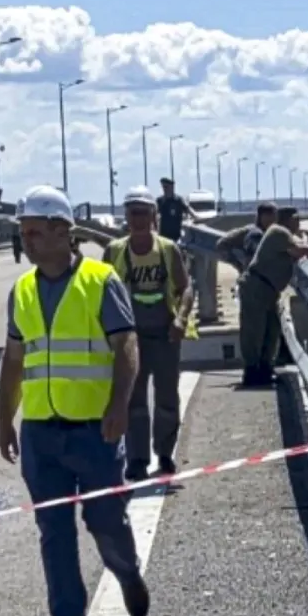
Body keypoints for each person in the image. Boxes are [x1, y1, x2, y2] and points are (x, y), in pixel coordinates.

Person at [0, 185, 150, 616]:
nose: (28, 242)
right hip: (42, 433)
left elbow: (126, 345)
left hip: (94, 430)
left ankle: (125, 572)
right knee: (54, 532)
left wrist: (120, 405)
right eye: (23, 233)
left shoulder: (101, 281)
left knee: (105, 521)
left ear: (64, 233)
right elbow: (14, 359)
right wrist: (4, 420)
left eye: (36, 232)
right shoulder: (21, 290)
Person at [103, 186, 196, 481]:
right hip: (131, 339)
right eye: (133, 214)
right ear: (126, 217)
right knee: (134, 400)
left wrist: (181, 319)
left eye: (144, 213)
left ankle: (166, 455)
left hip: (165, 335)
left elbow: (186, 288)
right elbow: (101, 293)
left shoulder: (167, 250)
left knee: (167, 398)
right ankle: (137, 460)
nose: (139, 220)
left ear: (154, 216)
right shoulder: (115, 252)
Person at [237, 206, 308, 387]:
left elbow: (296, 246)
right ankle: (252, 373)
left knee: (272, 331)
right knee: (254, 333)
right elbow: (297, 250)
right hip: (257, 286)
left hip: (269, 289)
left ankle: (265, 370)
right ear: (287, 219)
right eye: (296, 219)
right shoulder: (278, 232)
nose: (298, 222)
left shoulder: (285, 234)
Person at [215, 200, 277, 273]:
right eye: (268, 215)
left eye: (273, 215)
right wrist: (237, 264)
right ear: (261, 216)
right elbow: (221, 244)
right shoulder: (254, 233)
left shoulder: (271, 232)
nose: (271, 219)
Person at [155, 177, 195, 243]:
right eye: (163, 187)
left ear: (172, 187)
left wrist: (196, 218)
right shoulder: (160, 201)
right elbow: (153, 214)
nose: (164, 189)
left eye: (166, 187)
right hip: (163, 236)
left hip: (176, 236)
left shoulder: (178, 200)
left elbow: (190, 211)